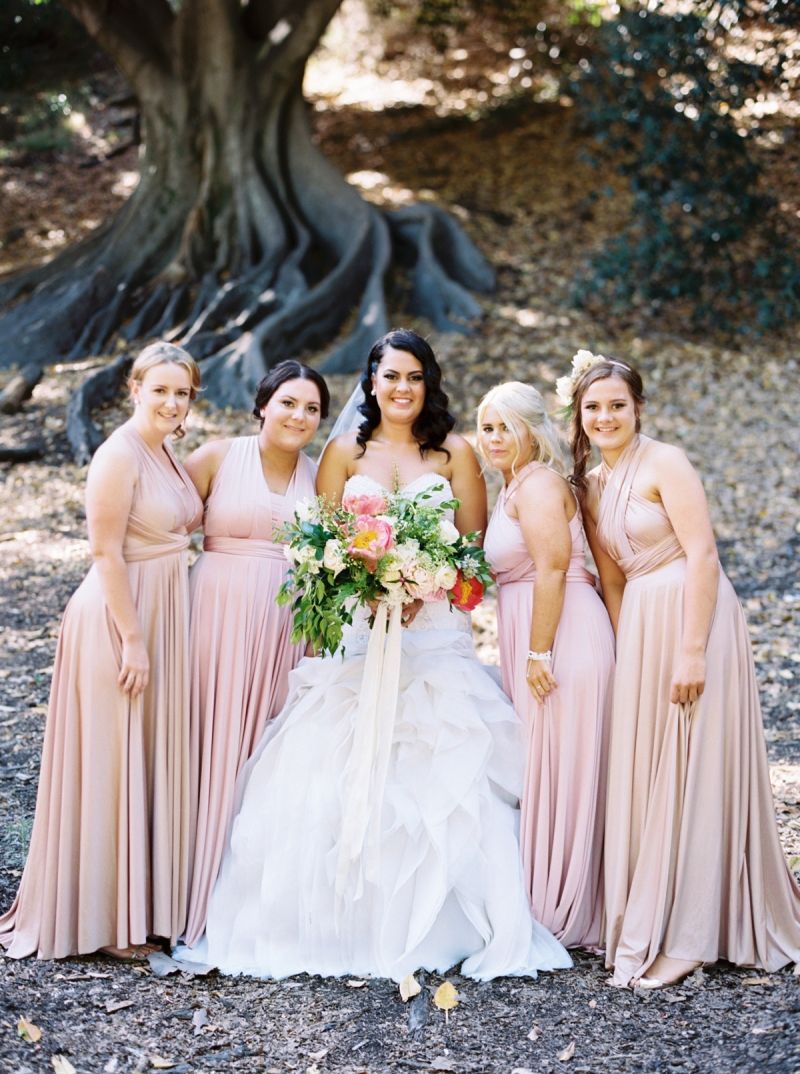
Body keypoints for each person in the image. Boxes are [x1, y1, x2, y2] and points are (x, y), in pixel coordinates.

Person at [175, 328, 571, 982]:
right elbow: (321, 551)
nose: (402, 389)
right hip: (361, 637)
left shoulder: (456, 454)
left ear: (429, 383)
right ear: (372, 381)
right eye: (391, 377)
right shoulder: (342, 452)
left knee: (448, 776)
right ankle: (326, 926)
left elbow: (473, 562)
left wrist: (427, 584)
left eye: (414, 377)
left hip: (434, 639)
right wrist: (366, 584)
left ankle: (453, 926)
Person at [565, 351, 800, 989]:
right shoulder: (589, 484)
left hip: (695, 618)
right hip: (642, 622)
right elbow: (612, 578)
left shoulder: (666, 462)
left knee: (696, 766)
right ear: (579, 416)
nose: (606, 416)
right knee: (652, 769)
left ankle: (692, 934)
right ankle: (659, 911)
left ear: (638, 407)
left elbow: (703, 555)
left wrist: (692, 649)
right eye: (594, 407)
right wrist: (623, 651)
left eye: (617, 405)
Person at [0, 341, 203, 960]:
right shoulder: (119, 455)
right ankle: (107, 923)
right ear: (134, 388)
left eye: (182, 392)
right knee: (113, 761)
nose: (171, 402)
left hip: (162, 610)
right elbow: (104, 553)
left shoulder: (165, 451)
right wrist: (134, 639)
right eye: (160, 389)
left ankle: (144, 906)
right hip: (120, 618)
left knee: (143, 757)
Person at [181, 361, 329, 947]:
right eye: (289, 402)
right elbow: (165, 529)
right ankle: (177, 891)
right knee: (201, 743)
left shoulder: (320, 480)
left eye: (312, 408)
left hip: (285, 632)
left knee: (260, 757)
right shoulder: (217, 457)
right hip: (211, 617)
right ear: (263, 404)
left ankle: (232, 900)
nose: (299, 416)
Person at [479, 382, 614, 950]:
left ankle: (566, 901)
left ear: (532, 431)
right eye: (486, 427)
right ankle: (553, 890)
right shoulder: (514, 484)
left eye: (505, 427)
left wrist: (539, 652)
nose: (494, 439)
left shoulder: (538, 484)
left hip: (563, 637)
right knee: (546, 765)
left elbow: (554, 568)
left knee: (564, 764)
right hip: (539, 631)